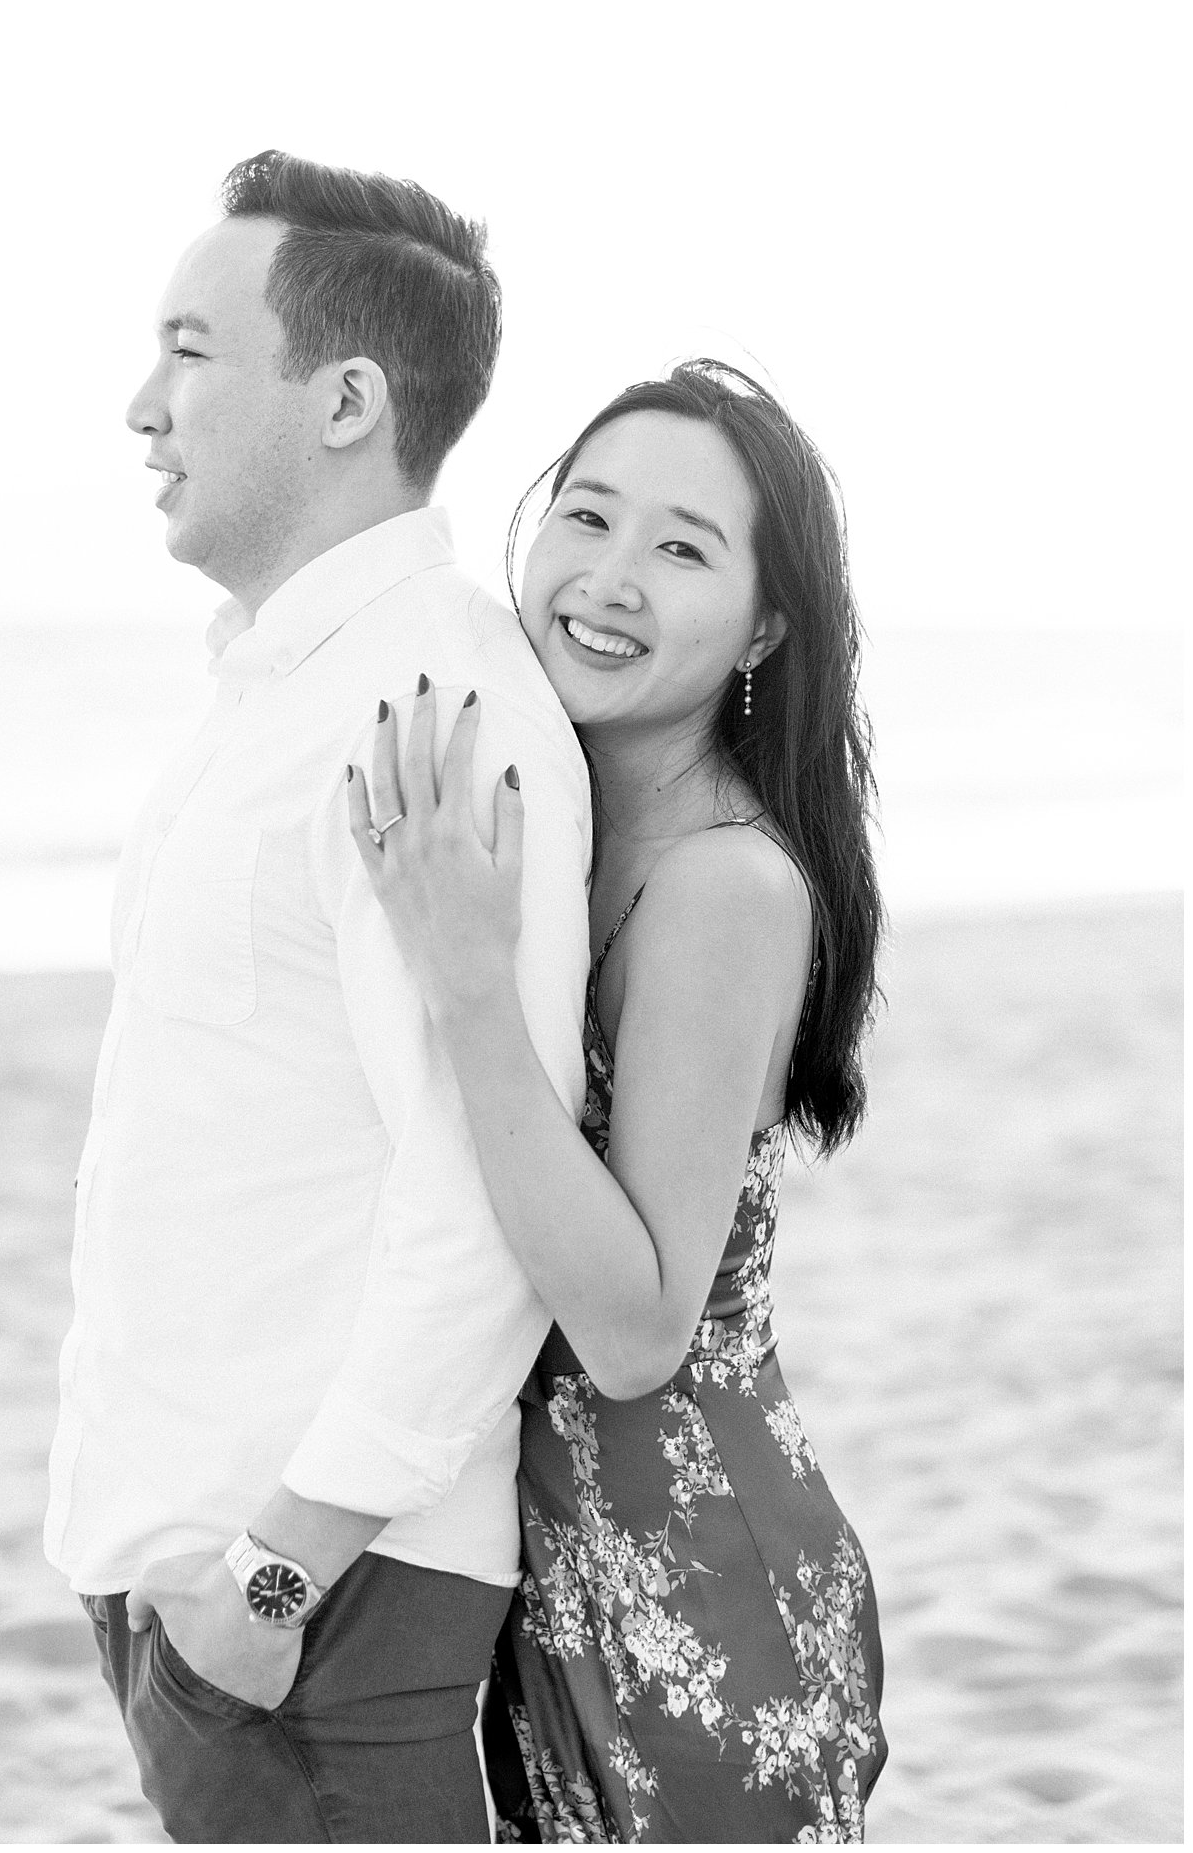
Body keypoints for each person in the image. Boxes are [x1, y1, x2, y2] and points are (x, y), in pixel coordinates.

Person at [43, 150, 594, 1843]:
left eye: (193, 349)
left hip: (315, 1607)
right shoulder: (276, 686)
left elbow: (483, 1196)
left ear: (348, 398)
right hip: (208, 1581)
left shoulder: (431, 701)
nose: (145, 406)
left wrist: (273, 1576)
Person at [349, 360, 888, 1843]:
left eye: (682, 547)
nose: (607, 577)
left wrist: (466, 984)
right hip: (551, 1583)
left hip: (694, 1597)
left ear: (766, 624)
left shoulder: (720, 884)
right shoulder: (572, 814)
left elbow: (640, 1333)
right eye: (586, 517)